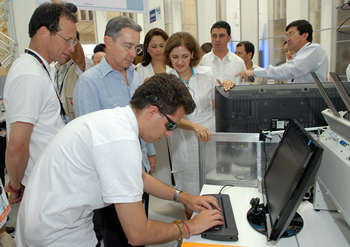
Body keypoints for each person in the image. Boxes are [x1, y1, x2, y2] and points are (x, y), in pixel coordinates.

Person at [15, 73, 224, 247]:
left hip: (54, 222)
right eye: (171, 126)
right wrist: (190, 227)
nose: (169, 134)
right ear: (152, 112)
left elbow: (137, 176)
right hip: (55, 234)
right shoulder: (120, 138)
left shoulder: (116, 120)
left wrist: (183, 197)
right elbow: (138, 234)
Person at [73, 16, 156, 247]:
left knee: (141, 234)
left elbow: (144, 121)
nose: (133, 53)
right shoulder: (89, 83)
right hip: (112, 179)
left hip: (139, 169)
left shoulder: (135, 76)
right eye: (127, 46)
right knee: (119, 238)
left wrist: (149, 152)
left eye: (136, 47)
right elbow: (90, 140)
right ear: (108, 42)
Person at [3, 2, 77, 204]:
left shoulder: (38, 69)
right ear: (44, 33)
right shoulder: (30, 75)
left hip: (49, 181)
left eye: (74, 41)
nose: (71, 47)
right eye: (68, 40)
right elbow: (16, 146)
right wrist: (16, 186)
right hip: (43, 186)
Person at [164, 32, 234, 219]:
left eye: (185, 56)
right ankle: (193, 227)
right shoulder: (167, 80)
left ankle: (213, 222)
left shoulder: (206, 73)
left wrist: (227, 89)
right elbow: (170, 117)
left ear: (193, 54)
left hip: (209, 134)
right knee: (189, 188)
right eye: (175, 57)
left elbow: (215, 105)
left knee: (211, 182)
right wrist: (194, 126)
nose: (180, 61)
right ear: (169, 57)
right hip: (184, 137)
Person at [236, 19, 329, 83]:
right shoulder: (297, 57)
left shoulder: (314, 49)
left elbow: (289, 70)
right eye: (286, 36)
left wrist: (254, 72)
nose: (287, 39)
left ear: (305, 35)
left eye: (291, 34)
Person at [54, 30, 94, 121]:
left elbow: (79, 58)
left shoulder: (81, 65)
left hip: (79, 124)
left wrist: (67, 30)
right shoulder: (56, 69)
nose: (67, 47)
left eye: (70, 42)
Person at [200, 21, 245, 85]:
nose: (217, 39)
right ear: (211, 37)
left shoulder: (239, 63)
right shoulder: (202, 62)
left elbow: (244, 89)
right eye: (214, 36)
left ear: (229, 38)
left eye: (221, 36)